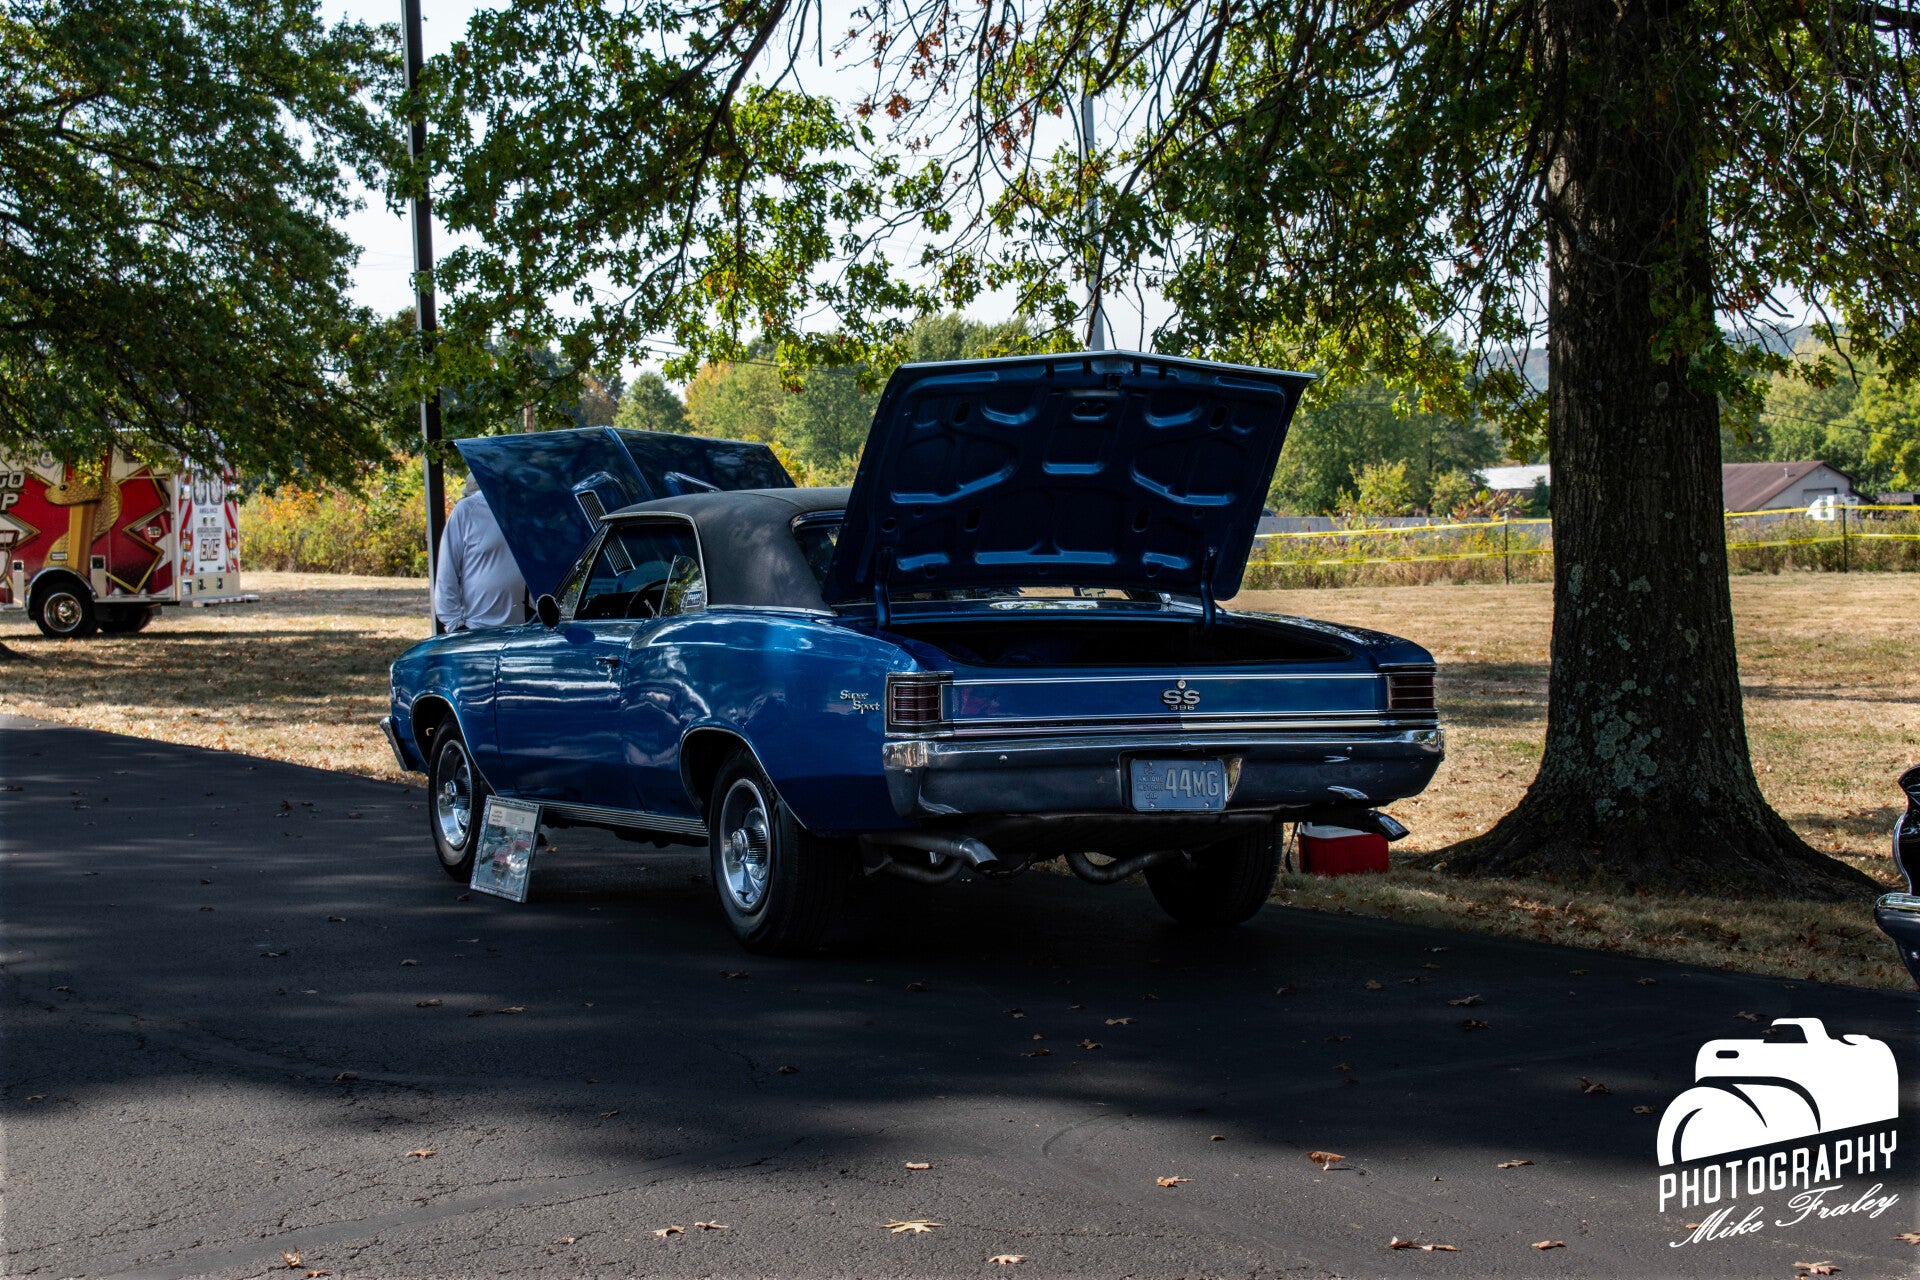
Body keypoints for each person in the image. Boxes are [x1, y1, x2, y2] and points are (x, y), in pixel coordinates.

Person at [434, 475, 527, 631]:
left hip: (523, 626)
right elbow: (446, 572)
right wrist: (455, 625)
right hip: (477, 628)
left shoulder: (522, 511)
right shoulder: (466, 510)